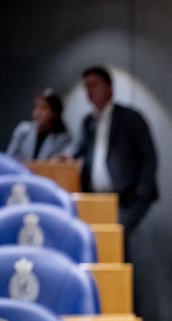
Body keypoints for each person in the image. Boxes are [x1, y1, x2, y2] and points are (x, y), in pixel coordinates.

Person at [72, 65, 158, 243]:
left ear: (108, 87)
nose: (89, 90)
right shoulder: (88, 122)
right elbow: (77, 149)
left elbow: (149, 156)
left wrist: (141, 191)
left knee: (114, 241)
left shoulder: (130, 117)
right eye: (86, 86)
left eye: (94, 84)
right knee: (101, 245)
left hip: (126, 197)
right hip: (96, 198)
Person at [5, 90, 72, 161]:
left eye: (43, 108)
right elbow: (9, 158)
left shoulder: (63, 138)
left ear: (54, 113)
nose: (37, 113)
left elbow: (61, 163)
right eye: (36, 107)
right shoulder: (23, 130)